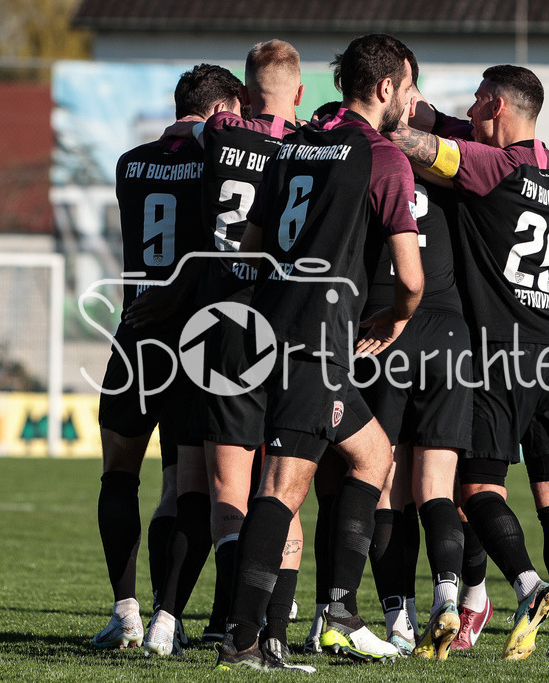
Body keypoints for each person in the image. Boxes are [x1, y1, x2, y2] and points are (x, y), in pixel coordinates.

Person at [215, 33, 424, 670]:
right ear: (386, 88)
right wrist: (394, 316)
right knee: (283, 486)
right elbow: (411, 278)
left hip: (272, 329)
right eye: (409, 88)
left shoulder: (293, 145)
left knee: (373, 455)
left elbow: (249, 247)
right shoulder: (383, 158)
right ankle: (243, 641)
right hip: (317, 337)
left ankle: (332, 611)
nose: (411, 102)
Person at [386, 64, 549, 660]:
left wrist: (368, 118)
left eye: (478, 102)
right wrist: (420, 104)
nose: (470, 109)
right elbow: (453, 134)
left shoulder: (489, 170)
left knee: (475, 488)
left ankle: (526, 586)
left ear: (497, 105)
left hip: (502, 353)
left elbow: (409, 145)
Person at [152, 39, 308, 662]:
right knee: (287, 479)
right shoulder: (309, 145)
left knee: (227, 489)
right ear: (298, 93)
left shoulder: (219, 133)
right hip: (286, 319)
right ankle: (275, 621)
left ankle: (228, 618)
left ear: (242, 94)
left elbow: (193, 127)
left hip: (223, 322)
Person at [91, 63, 242, 653]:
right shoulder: (215, 159)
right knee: (183, 484)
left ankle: (124, 611)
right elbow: (210, 250)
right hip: (189, 338)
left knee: (117, 474)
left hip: (133, 337)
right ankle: (164, 618)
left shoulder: (132, 163)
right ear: (223, 106)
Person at [357, 53, 473, 662]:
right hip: (450, 331)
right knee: (438, 482)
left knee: (383, 484)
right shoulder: (451, 150)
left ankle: (398, 618)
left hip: (387, 325)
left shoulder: (360, 152)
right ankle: (447, 596)